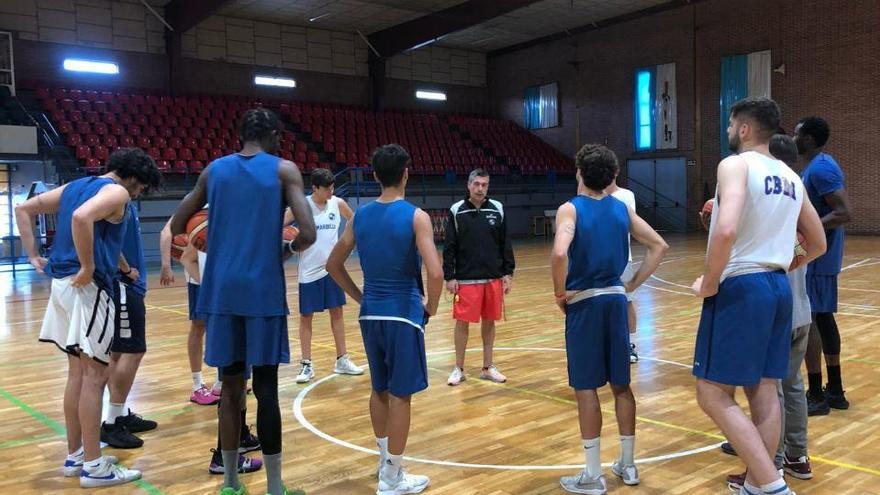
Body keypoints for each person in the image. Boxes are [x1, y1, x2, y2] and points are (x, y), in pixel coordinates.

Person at [171, 108, 316, 495]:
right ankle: (273, 487)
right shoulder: (284, 170)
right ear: (271, 134)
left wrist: (208, 241)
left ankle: (232, 483)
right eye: (280, 136)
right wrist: (287, 248)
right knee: (266, 389)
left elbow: (177, 222)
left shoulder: (213, 171)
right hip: (261, 290)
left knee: (231, 387)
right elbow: (310, 231)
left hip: (220, 291)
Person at [691, 97, 825, 495]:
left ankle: (770, 484)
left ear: (744, 128)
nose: (730, 131)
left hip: (742, 286)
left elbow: (726, 228)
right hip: (778, 287)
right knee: (766, 390)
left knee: (711, 393)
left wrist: (710, 280)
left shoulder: (735, 164)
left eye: (732, 124)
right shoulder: (790, 175)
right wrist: (787, 262)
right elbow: (816, 242)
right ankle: (757, 483)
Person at [14, 147, 160, 487]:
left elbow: (24, 208)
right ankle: (94, 467)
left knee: (77, 375)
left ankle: (76, 455)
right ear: (134, 178)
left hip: (62, 287)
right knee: (96, 377)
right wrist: (89, 265)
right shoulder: (117, 191)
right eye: (139, 189)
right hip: (88, 288)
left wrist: (34, 254)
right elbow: (82, 218)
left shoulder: (76, 185)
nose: (135, 196)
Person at [552, 144, 668, 494]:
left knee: (586, 387)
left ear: (580, 172)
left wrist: (560, 292)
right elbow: (659, 245)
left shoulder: (570, 209)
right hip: (617, 301)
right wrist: (631, 283)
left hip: (586, 304)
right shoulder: (621, 209)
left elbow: (559, 251)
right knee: (621, 385)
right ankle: (628, 465)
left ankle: (592, 474)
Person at [327, 144, 443, 495]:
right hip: (403, 315)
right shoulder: (416, 216)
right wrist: (432, 308)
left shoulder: (359, 216)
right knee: (401, 395)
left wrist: (361, 297)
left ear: (375, 175)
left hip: (371, 313)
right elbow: (435, 273)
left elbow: (332, 264)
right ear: (407, 172)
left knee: (379, 388)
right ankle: (393, 477)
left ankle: (385, 462)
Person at [724, 133, 816, 489]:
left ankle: (767, 468)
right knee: (791, 387)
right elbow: (815, 243)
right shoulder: (796, 197)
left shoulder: (769, 204)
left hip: (771, 307)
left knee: (767, 391)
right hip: (798, 309)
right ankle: (798, 455)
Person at [159, 218, 263, 475]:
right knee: (232, 384)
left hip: (233, 301)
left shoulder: (231, 214)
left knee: (237, 381)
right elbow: (185, 256)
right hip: (224, 304)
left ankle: (239, 438)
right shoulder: (208, 215)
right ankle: (223, 455)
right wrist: (211, 290)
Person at [795, 116, 853, 415]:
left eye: (797, 133)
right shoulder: (816, 166)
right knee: (824, 319)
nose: (794, 138)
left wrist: (807, 232)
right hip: (821, 257)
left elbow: (843, 212)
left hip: (818, 259)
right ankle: (835, 391)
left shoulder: (821, 167)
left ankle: (816, 394)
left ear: (808, 138)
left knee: (812, 321)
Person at [443, 168, 515, 386]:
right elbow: (449, 247)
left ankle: (487, 367)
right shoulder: (457, 211)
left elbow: (505, 244)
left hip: (493, 278)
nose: (480, 188)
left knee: (489, 322)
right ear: (469, 185)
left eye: (484, 184)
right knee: (462, 323)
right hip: (465, 279)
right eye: (477, 184)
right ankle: (459, 368)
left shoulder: (498, 209)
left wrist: (508, 273)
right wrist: (449, 276)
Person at [291, 168, 363, 383]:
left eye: (333, 187)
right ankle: (306, 365)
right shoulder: (303, 205)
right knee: (306, 317)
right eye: (327, 188)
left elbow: (355, 220)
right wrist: (289, 242)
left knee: (337, 313)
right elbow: (279, 223)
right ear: (315, 188)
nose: (331, 191)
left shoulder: (337, 203)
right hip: (309, 271)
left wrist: (344, 244)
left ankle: (342, 360)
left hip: (332, 269)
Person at [100, 201, 159, 449]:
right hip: (123, 284)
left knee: (120, 352)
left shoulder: (125, 202)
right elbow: (106, 241)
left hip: (126, 284)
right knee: (132, 351)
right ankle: (113, 423)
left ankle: (120, 412)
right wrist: (124, 269)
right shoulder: (112, 199)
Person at [159, 216, 221, 405]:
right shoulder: (195, 204)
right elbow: (166, 232)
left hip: (222, 276)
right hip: (199, 277)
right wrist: (166, 265)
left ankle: (221, 381)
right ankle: (197, 385)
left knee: (221, 328)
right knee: (199, 327)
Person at [605, 173, 640, 363]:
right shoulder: (592, 196)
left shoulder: (626, 195)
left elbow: (627, 226)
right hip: (600, 260)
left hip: (622, 259)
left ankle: (628, 343)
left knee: (626, 301)